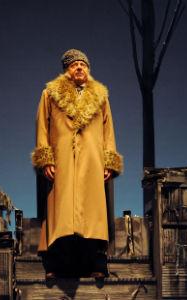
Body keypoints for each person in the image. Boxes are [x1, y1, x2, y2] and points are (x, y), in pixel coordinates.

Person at [31, 49, 123, 279]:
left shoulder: (100, 97)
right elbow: (42, 127)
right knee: (62, 213)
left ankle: (96, 265)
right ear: (66, 70)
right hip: (62, 161)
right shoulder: (50, 94)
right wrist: (46, 159)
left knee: (92, 216)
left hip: (92, 161)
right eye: (74, 65)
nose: (79, 67)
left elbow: (108, 130)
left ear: (88, 70)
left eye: (83, 64)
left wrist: (108, 161)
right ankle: (58, 266)